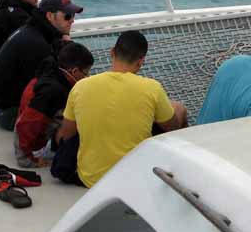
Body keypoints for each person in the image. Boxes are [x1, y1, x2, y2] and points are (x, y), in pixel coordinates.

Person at [53, 30, 188, 188]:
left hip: (92, 179)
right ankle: (182, 168)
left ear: (112, 52)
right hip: (134, 179)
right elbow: (171, 127)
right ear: (140, 61)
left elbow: (66, 134)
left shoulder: (81, 87)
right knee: (179, 109)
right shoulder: (152, 88)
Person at [0, 0, 83, 131]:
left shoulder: (33, 30)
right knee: (78, 124)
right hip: (11, 113)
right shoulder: (37, 44)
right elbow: (50, 88)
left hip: (6, 104)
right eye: (67, 16)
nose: (72, 21)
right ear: (50, 16)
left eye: (73, 16)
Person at [14, 42, 94, 168]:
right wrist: (28, 159)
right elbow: (27, 125)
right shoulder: (51, 92)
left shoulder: (52, 74)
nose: (88, 76)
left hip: (39, 125)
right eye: (86, 72)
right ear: (74, 71)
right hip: (34, 143)